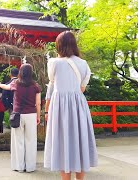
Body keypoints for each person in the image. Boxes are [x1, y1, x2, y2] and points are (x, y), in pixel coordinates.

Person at [44, 31, 98, 180]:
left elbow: (51, 87)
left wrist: (46, 110)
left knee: (62, 142)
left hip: (59, 107)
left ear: (59, 45)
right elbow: (82, 88)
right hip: (79, 106)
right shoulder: (84, 64)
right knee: (80, 142)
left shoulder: (53, 63)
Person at [0, 63, 41, 173]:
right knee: (31, 141)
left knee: (18, 141)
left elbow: (6, 87)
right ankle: (30, 167)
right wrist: (38, 116)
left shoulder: (16, 83)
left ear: (20, 72)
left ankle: (19, 166)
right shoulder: (35, 86)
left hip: (18, 115)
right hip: (31, 115)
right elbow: (38, 103)